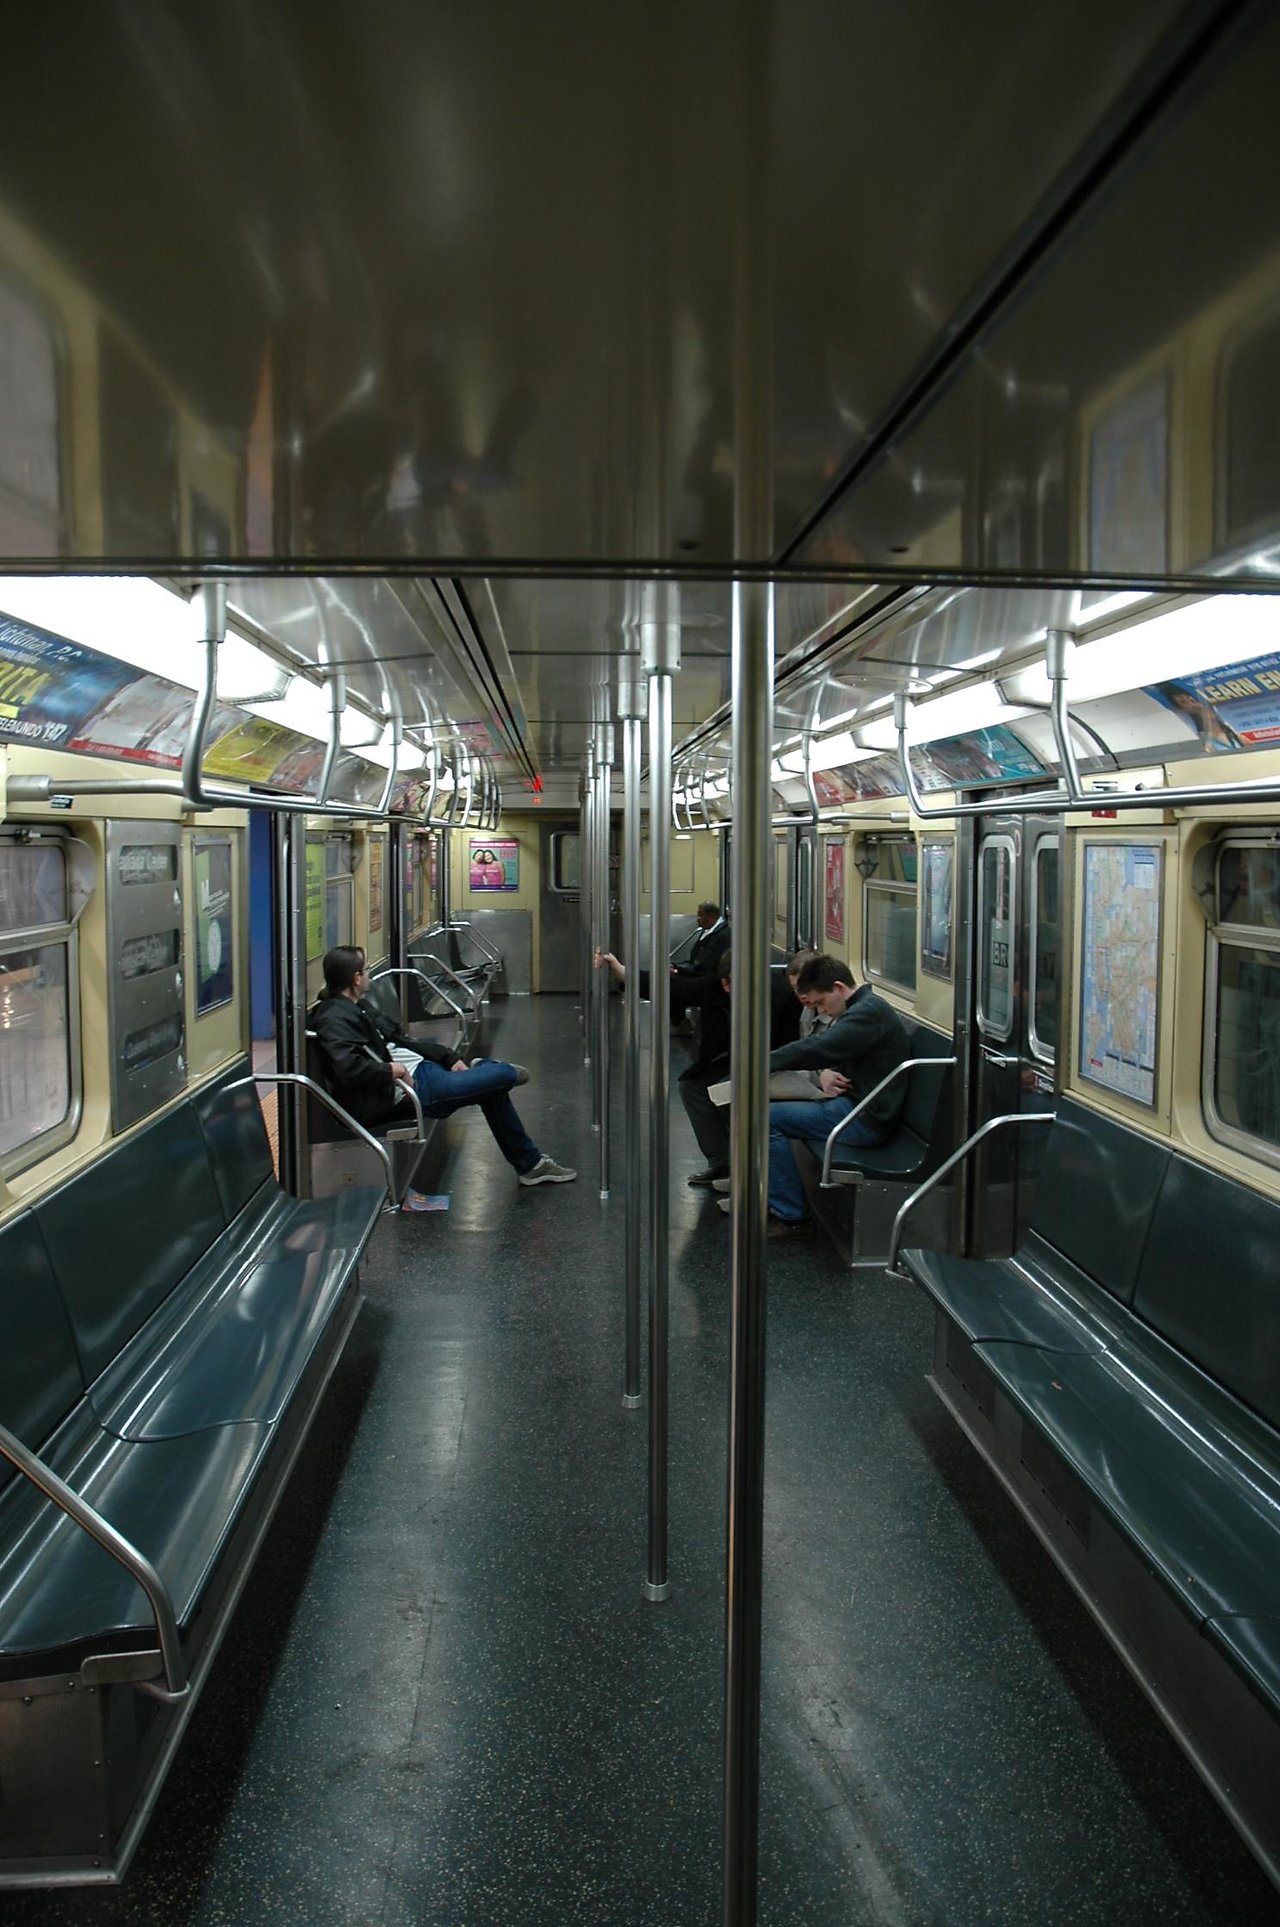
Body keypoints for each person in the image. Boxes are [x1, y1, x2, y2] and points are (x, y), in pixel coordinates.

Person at [310, 946, 576, 1186]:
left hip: (422, 1071)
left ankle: (530, 1165)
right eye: (366, 970)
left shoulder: (358, 1006)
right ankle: (490, 1070)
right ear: (356, 978)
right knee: (502, 1076)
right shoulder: (334, 1017)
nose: (369, 975)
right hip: (410, 1091)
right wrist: (396, 1071)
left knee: (493, 1089)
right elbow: (349, 1069)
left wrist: (447, 1056)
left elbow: (403, 1041)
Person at [717, 953, 909, 1237]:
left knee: (762, 1120)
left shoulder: (867, 1014)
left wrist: (760, 1062)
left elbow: (819, 1047)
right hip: (853, 1104)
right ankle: (768, 1196)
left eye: (821, 1002)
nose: (822, 1010)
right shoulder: (861, 1009)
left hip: (864, 1119)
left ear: (839, 987)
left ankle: (792, 1215)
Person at [679, 952, 802, 1186]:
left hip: (777, 1062)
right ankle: (722, 1163)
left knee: (733, 1092)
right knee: (693, 1087)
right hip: (741, 1058)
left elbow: (790, 1046)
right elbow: (678, 990)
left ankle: (747, 1172)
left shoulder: (782, 996)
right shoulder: (714, 989)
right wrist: (623, 971)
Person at [596, 902, 730, 1028]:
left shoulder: (722, 936)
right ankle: (628, 975)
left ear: (711, 917)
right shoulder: (710, 933)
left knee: (670, 986)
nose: (698, 919)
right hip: (705, 978)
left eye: (701, 915)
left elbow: (705, 966)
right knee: (666, 980)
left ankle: (627, 976)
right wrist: (677, 967)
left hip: (711, 983)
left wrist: (680, 969)